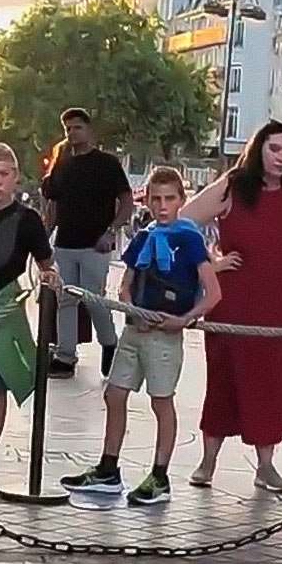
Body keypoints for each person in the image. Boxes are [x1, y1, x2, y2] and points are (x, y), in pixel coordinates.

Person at [59, 167, 221, 505]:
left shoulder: (190, 239)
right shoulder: (144, 237)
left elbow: (213, 292)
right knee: (115, 394)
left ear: (181, 200)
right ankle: (108, 468)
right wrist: (132, 308)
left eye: (170, 199)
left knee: (161, 401)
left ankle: (160, 475)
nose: (163, 206)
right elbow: (126, 284)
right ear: (146, 201)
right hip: (136, 329)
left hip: (166, 332)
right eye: (156, 199)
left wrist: (186, 319)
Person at [181, 120, 282, 493]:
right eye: (274, 148)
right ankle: (208, 460)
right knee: (225, 378)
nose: (280, 157)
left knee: (273, 381)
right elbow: (185, 219)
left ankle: (266, 465)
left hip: (281, 299)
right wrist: (211, 262)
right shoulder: (232, 185)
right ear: (258, 147)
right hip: (235, 298)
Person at [0, 143, 59, 490]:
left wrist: (50, 278)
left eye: (4, 175)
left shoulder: (27, 220)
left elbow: (45, 262)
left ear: (15, 177)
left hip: (5, 306)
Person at [43, 108, 133, 379]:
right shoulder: (63, 165)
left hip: (96, 244)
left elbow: (126, 199)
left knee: (94, 300)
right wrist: (46, 237)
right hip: (65, 242)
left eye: (77, 128)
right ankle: (65, 355)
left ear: (89, 129)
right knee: (65, 300)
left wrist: (113, 230)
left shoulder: (106, 163)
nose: (72, 133)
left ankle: (109, 343)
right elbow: (51, 202)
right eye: (68, 129)